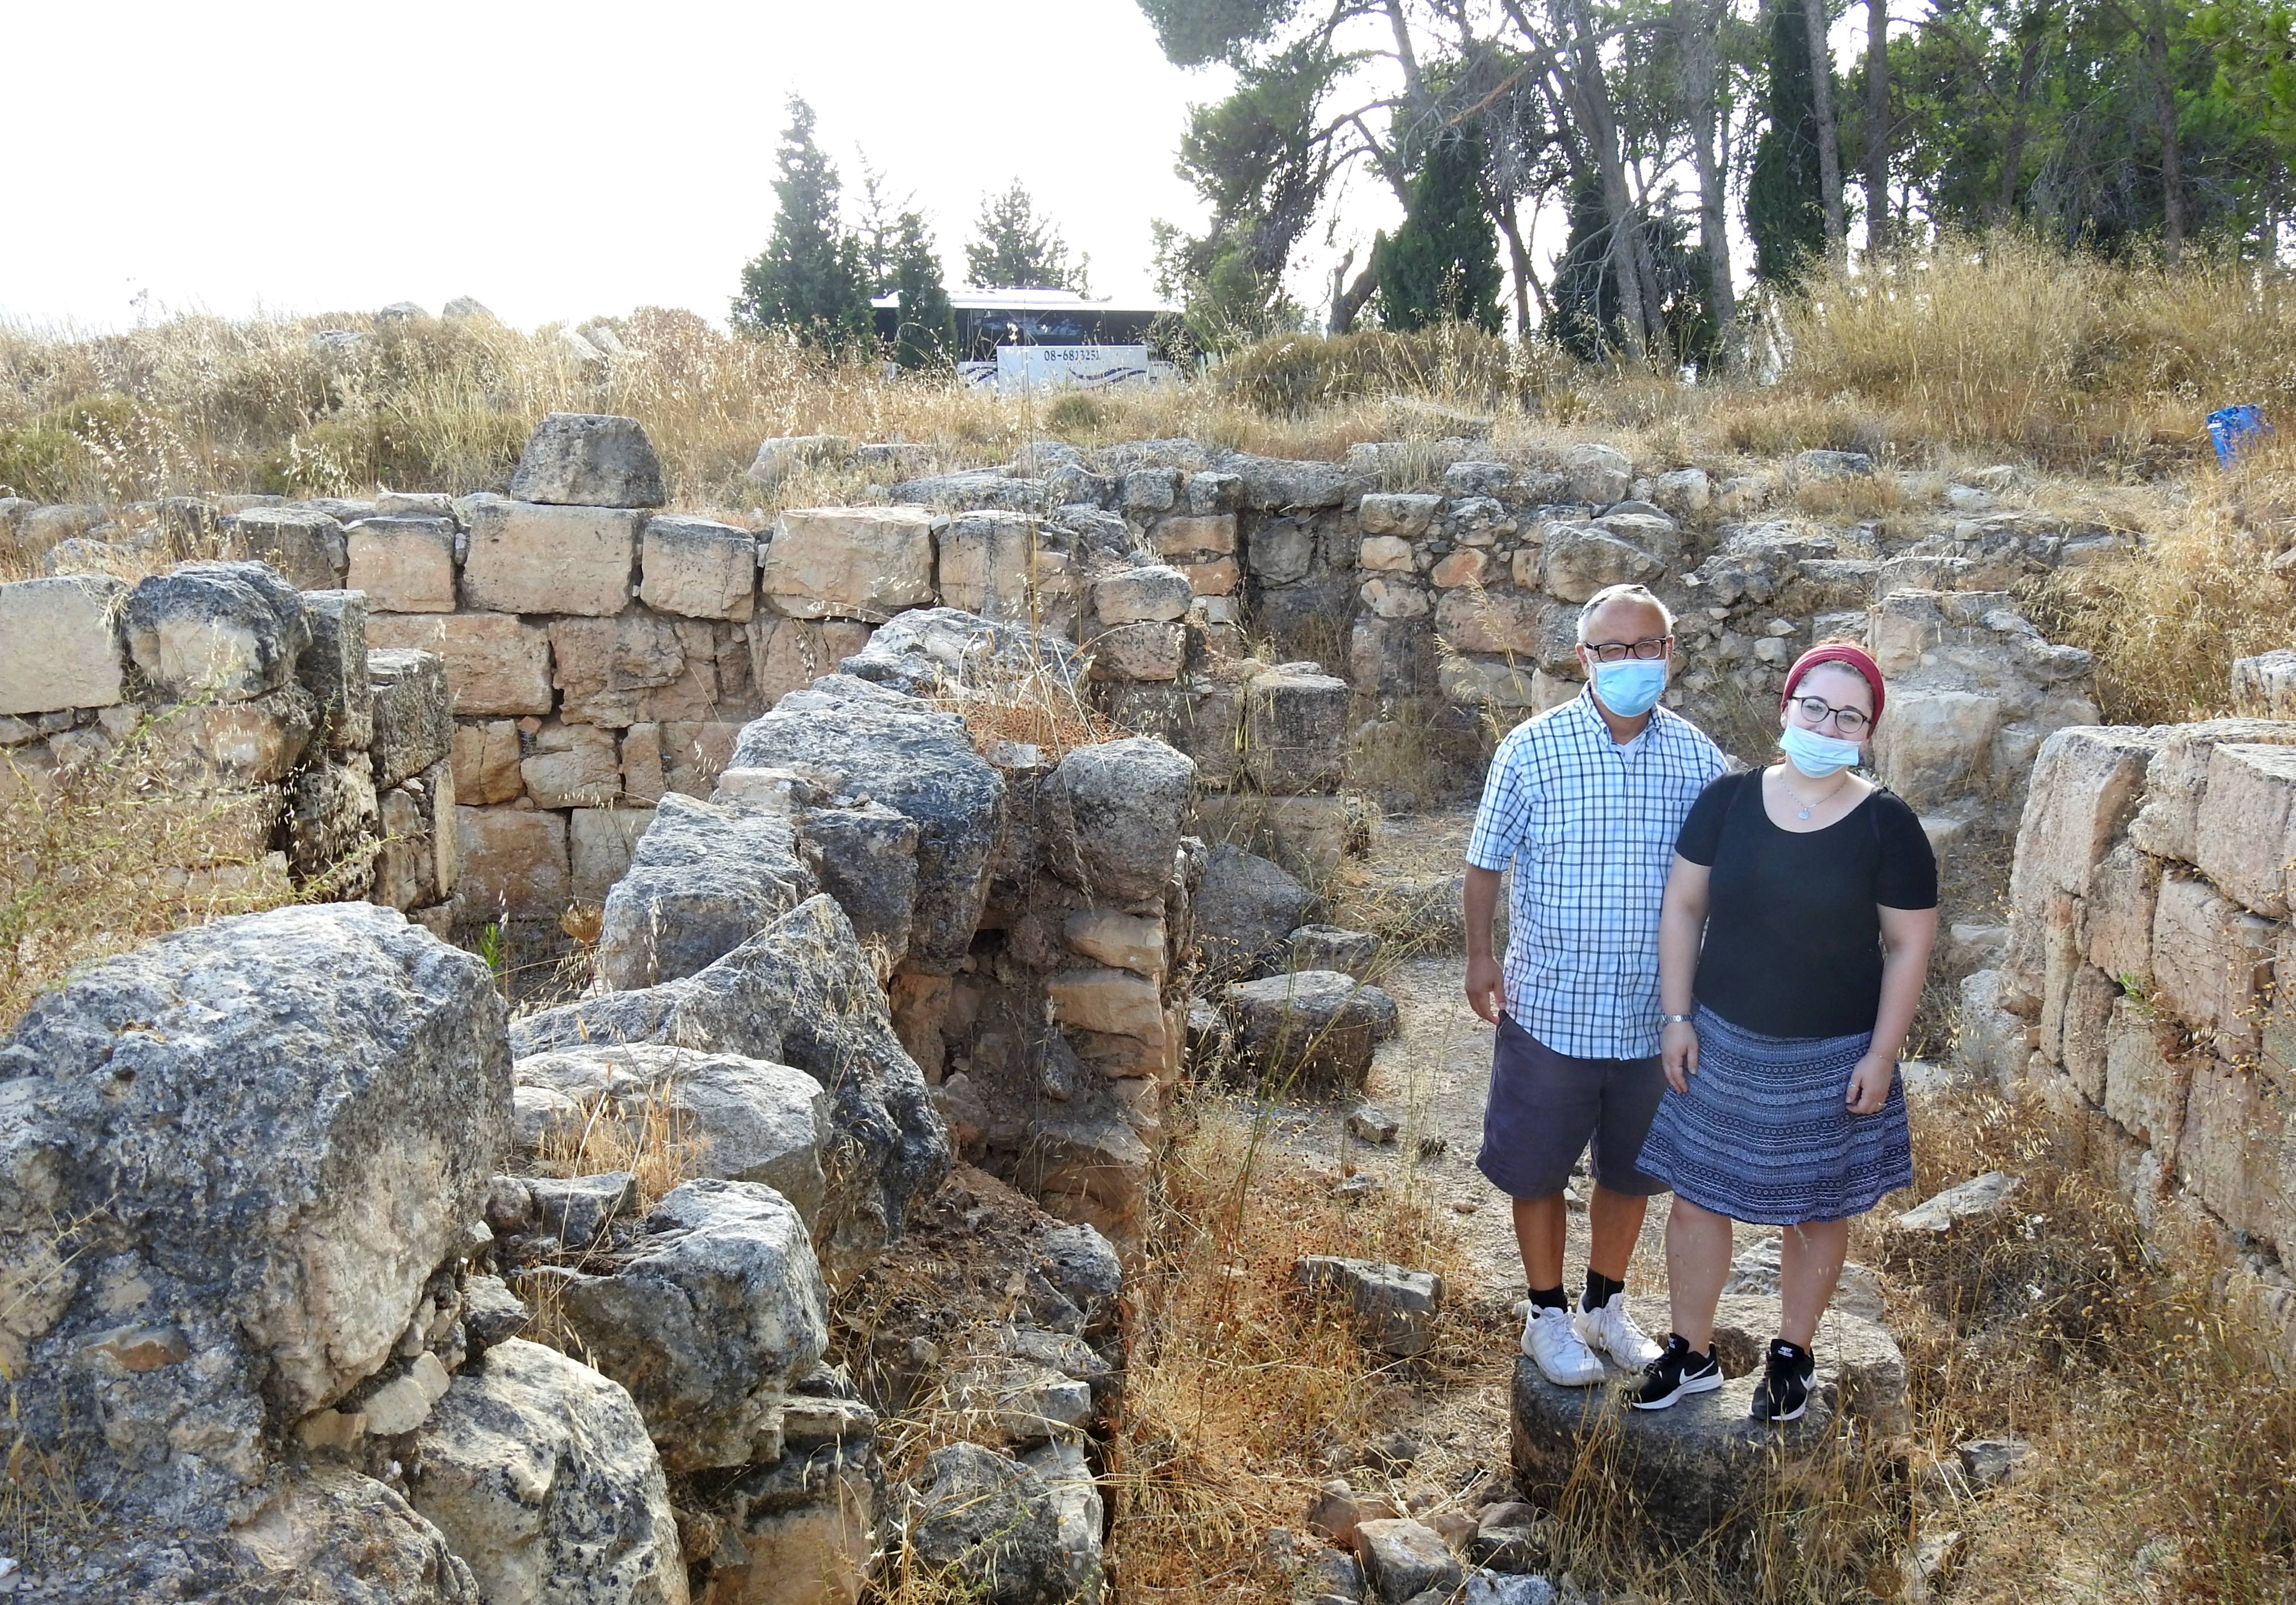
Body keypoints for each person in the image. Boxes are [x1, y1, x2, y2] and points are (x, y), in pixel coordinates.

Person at [1630, 640, 1938, 1421]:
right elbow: (1683, 909)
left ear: (1867, 731)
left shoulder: (1887, 825)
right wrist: (1676, 1017)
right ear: (1785, 706)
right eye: (1815, 706)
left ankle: (1791, 1355)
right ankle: (1689, 1354)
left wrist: (1880, 1052)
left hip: (1834, 1051)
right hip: (1723, 1036)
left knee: (1816, 1206)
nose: (1827, 725)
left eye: (1849, 715)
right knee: (1697, 1199)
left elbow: (1908, 945)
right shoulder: (1726, 802)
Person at [1464, 583, 1729, 1386]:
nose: (1629, 663)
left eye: (1645, 647)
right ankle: (1545, 1314)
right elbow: (1484, 863)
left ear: (1668, 655)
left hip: (1654, 1017)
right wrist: (1480, 957)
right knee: (1535, 1168)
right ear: (1582, 658)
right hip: (1550, 1007)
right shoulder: (1531, 749)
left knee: (1630, 1171)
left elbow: (1724, 880)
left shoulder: (1699, 759)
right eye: (1611, 649)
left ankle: (1603, 1306)